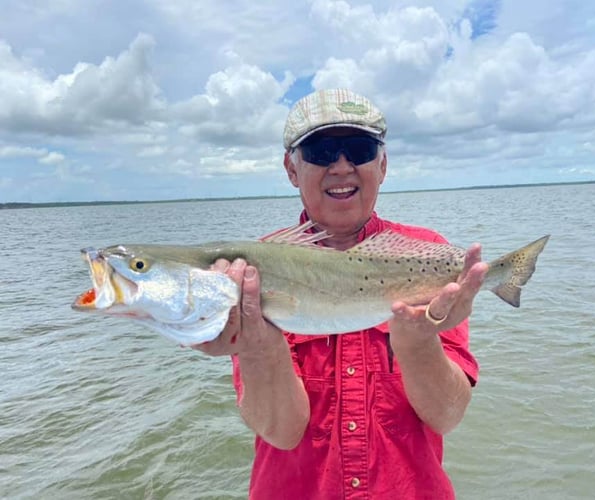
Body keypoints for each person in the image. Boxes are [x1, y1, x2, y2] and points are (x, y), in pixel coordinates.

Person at [194, 88, 488, 499]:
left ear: (382, 165)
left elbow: (447, 415)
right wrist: (259, 347)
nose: (342, 166)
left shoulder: (428, 258)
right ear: (291, 169)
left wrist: (418, 344)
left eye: (359, 148)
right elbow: (282, 431)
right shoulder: (250, 273)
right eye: (321, 151)